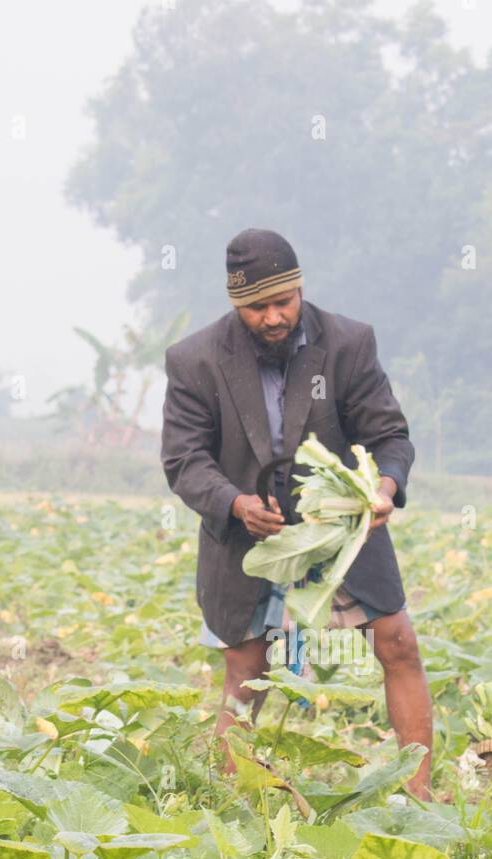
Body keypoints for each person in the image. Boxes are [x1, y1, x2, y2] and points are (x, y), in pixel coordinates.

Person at [160, 227, 432, 797]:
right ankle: (232, 800)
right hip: (248, 538)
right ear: (237, 306)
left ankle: (420, 794)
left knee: (398, 644)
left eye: (283, 302)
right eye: (256, 308)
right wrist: (235, 503)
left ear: (300, 289)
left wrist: (382, 489)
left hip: (344, 530)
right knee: (247, 670)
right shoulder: (196, 360)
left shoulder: (347, 343)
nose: (273, 317)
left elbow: (390, 436)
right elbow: (185, 459)